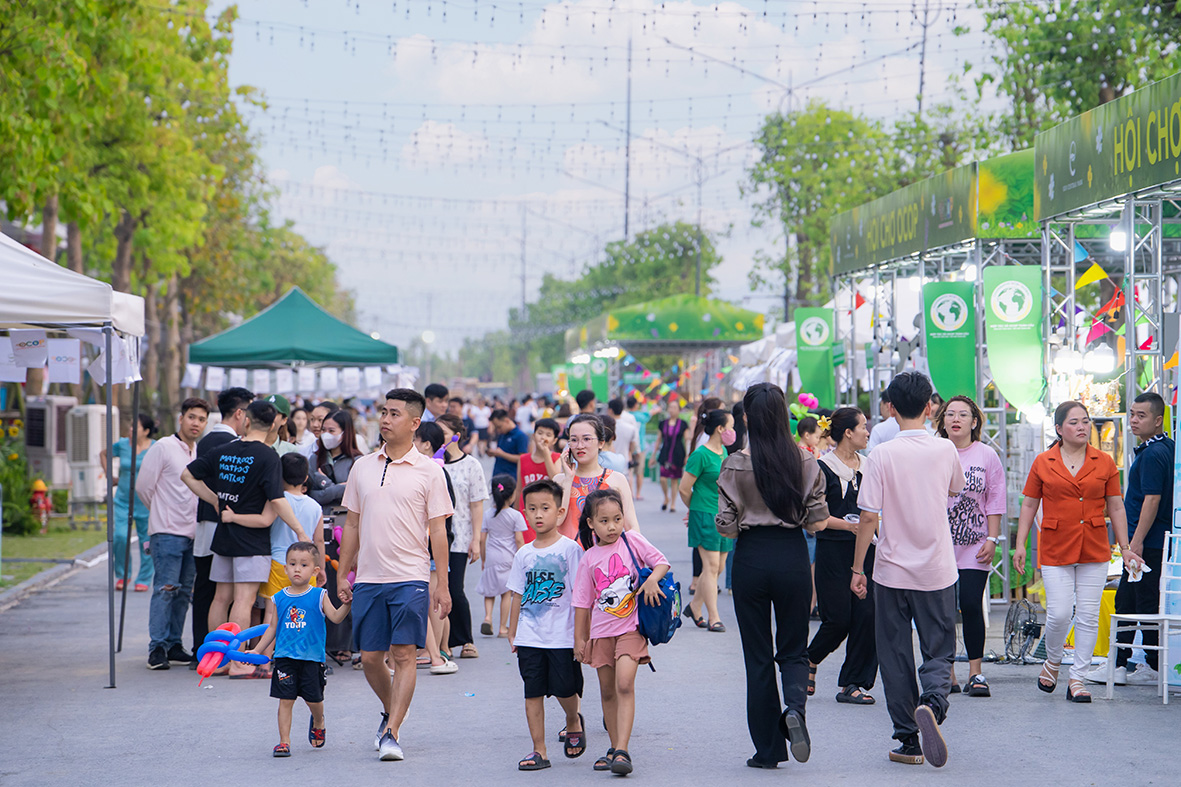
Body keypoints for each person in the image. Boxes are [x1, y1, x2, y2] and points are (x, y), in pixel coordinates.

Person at [852, 371, 964, 768]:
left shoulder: (880, 454)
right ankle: (932, 701)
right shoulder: (945, 449)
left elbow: (868, 517)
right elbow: (955, 489)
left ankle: (907, 740)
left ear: (892, 409)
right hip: (936, 568)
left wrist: (857, 568)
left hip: (891, 571)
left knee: (894, 653)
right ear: (931, 407)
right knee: (939, 646)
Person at [336, 388, 454, 762]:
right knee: (371, 658)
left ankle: (392, 732)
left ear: (415, 423)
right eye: (384, 412)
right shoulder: (363, 466)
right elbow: (351, 524)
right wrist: (343, 572)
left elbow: (438, 531)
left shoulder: (430, 472)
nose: (385, 419)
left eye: (394, 414)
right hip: (369, 577)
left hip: (411, 577)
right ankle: (393, 710)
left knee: (403, 654)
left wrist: (443, 586)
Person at [716, 383, 826, 769]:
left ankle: (767, 751)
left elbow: (727, 529)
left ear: (746, 418)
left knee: (757, 655)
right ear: (784, 416)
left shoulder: (733, 464)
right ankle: (794, 708)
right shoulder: (807, 461)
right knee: (794, 647)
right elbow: (816, 523)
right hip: (792, 556)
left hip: (751, 559)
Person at [1014, 400, 1139, 704]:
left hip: (1094, 545)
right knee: (1058, 614)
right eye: (1074, 422)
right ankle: (1053, 660)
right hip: (1055, 545)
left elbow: (1116, 505)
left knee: (1087, 615)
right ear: (1059, 429)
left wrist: (1126, 547)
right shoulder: (1044, 462)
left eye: (1085, 421)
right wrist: (1020, 544)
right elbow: (1030, 504)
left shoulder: (1104, 461)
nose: (1082, 427)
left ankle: (1078, 678)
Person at [182, 400, 311, 647]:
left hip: (223, 536)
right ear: (274, 424)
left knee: (220, 598)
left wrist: (215, 500)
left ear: (246, 420)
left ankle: (217, 656)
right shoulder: (268, 457)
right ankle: (236, 658)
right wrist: (300, 530)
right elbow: (277, 500)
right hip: (252, 541)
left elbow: (187, 474)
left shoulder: (223, 450)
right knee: (243, 600)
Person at [572, 488, 670, 776]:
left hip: (630, 629)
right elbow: (581, 602)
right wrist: (580, 639)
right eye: (604, 521)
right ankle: (614, 748)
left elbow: (661, 561)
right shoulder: (588, 558)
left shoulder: (632, 541)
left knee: (624, 684)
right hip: (601, 633)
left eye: (617, 519)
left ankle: (623, 749)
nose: (612, 526)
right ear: (591, 523)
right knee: (607, 690)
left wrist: (652, 580)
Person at [508, 478, 586, 770]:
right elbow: (517, 594)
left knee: (566, 688)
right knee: (533, 691)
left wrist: (581, 636)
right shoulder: (524, 553)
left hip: (562, 636)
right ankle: (539, 750)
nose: (538, 515)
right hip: (530, 636)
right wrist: (512, 631)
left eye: (545, 508)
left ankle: (572, 718)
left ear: (560, 512)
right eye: (532, 509)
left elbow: (580, 596)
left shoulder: (570, 550)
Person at [1098, 392, 1174, 686]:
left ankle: (1121, 664)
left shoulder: (1154, 454)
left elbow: (1152, 500)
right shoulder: (1165, 448)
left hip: (1148, 543)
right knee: (1144, 603)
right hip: (1155, 542)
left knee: (1130, 603)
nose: (1133, 421)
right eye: (1131, 414)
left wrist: (1135, 541)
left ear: (1158, 420)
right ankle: (1148, 664)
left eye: (1141, 416)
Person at [249, 542, 351, 758]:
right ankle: (284, 742)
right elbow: (273, 628)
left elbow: (335, 617)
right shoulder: (279, 597)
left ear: (314, 571)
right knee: (285, 700)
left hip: (312, 658)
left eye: (303, 565)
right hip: (285, 657)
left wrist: (348, 604)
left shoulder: (319, 595)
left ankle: (319, 720)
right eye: (292, 564)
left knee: (314, 700)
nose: (297, 569)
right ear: (285, 568)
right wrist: (258, 650)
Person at [934, 395, 1006, 697]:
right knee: (943, 611)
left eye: (963, 414)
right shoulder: (934, 452)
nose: (956, 419)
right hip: (938, 546)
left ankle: (975, 673)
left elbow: (995, 498)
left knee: (971, 605)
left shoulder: (986, 454)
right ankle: (947, 673)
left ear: (974, 422)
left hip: (975, 546)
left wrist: (992, 539)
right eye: (950, 414)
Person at [807, 407, 877, 705]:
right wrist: (851, 526)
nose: (867, 431)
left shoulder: (869, 465)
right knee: (838, 619)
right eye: (863, 426)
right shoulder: (821, 468)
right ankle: (808, 660)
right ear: (848, 432)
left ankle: (854, 682)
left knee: (868, 616)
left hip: (867, 549)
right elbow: (815, 519)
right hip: (833, 550)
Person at [137, 397, 209, 670]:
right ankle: (156, 648)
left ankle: (173, 643)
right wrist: (161, 512)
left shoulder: (197, 451)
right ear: (181, 418)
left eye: (201, 419)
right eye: (192, 417)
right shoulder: (163, 447)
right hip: (166, 532)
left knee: (183, 593)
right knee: (165, 590)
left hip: (194, 533)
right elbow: (144, 487)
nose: (196, 423)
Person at [189, 386, 253, 666]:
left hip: (205, 523)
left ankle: (200, 649)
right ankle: (218, 652)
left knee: (205, 587)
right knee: (225, 592)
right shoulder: (232, 445)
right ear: (240, 413)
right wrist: (219, 501)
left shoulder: (204, 440)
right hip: (226, 525)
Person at [437, 413, 488, 659]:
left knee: (455, 588)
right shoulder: (431, 463)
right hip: (432, 537)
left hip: (459, 535)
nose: (439, 438)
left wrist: (476, 539)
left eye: (443, 433)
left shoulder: (471, 465)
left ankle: (466, 640)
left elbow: (476, 505)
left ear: (456, 435)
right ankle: (440, 642)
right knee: (434, 589)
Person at [679, 408, 735, 632]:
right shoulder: (700, 455)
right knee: (711, 566)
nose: (733, 431)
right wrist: (697, 508)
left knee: (718, 567)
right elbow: (684, 489)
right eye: (730, 427)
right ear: (720, 429)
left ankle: (694, 606)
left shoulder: (723, 451)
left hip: (723, 516)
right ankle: (714, 617)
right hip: (704, 515)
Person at [413, 422, 461, 675]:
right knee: (432, 600)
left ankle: (434, 652)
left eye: (415, 440)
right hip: (427, 546)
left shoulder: (435, 471)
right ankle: (438, 649)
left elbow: (443, 514)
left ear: (426, 445)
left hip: (433, 546)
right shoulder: (429, 470)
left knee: (434, 602)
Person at [555, 414, 641, 541]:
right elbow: (557, 521)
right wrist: (568, 479)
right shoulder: (559, 480)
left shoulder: (617, 479)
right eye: (573, 440)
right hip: (568, 558)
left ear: (601, 443)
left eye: (586, 439)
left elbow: (631, 526)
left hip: (605, 558)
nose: (579, 446)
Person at [259, 453, 325, 613]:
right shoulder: (315, 506)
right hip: (307, 565)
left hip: (278, 563)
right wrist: (320, 567)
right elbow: (319, 540)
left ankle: (269, 640)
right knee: (303, 612)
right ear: (305, 478)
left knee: (272, 612)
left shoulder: (277, 501)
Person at [100, 413, 157, 591]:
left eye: (136, 427)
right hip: (123, 500)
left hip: (146, 503)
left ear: (146, 431)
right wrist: (110, 476)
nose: (131, 429)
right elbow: (104, 454)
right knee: (120, 537)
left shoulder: (155, 447)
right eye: (131, 425)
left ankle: (144, 578)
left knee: (146, 542)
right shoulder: (123, 445)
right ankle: (123, 575)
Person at [477, 474, 528, 638]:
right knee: (506, 593)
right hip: (509, 558)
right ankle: (502, 627)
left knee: (489, 590)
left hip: (492, 557)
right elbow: (519, 540)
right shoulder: (516, 516)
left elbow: (482, 539)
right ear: (512, 494)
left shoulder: (488, 514)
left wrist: (484, 559)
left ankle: (487, 617)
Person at [515, 417, 561, 534]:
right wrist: (515, 515)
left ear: (554, 440)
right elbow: (519, 489)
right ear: (534, 435)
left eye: (548, 435)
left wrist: (546, 454)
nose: (543, 437)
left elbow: (556, 481)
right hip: (526, 515)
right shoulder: (523, 459)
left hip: (547, 515)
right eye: (540, 433)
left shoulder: (557, 458)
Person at [652, 398, 690, 513]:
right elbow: (659, 439)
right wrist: (654, 454)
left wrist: (687, 455)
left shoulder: (683, 424)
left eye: (674, 407)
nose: (672, 410)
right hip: (665, 452)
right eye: (670, 407)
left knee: (674, 480)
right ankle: (666, 498)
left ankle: (673, 503)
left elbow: (687, 439)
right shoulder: (663, 423)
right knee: (663, 478)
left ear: (679, 410)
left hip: (678, 453)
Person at [608, 398, 641, 496]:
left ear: (610, 410)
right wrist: (630, 453)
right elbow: (633, 444)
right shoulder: (630, 428)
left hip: (609, 461)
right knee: (626, 488)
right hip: (625, 460)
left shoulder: (606, 427)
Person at [488, 408, 529, 479]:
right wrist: (495, 453)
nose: (498, 430)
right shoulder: (502, 435)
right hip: (498, 476)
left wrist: (502, 454)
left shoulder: (520, 436)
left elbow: (523, 459)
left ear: (507, 421)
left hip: (511, 478)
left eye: (499, 427)